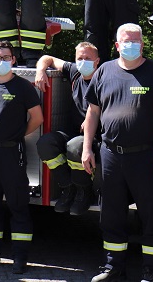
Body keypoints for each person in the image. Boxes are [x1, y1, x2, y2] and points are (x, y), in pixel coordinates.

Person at [82, 23, 153, 282]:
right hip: (111, 155)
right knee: (111, 214)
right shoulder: (104, 71)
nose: (131, 45)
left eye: (136, 41)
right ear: (116, 45)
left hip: (145, 157)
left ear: (143, 44)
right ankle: (113, 268)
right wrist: (86, 148)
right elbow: (93, 111)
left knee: (150, 214)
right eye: (126, 41)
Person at [0, 41, 44, 274]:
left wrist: (15, 135)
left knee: (18, 206)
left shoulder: (23, 87)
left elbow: (37, 117)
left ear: (14, 60)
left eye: (6, 57)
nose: (2, 61)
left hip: (12, 153)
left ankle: (20, 258)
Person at [35, 42, 101, 216]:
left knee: (75, 146)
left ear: (97, 61)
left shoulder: (104, 78)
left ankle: (83, 191)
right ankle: (68, 188)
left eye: (88, 58)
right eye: (80, 58)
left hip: (95, 137)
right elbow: (46, 58)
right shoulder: (75, 72)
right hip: (73, 134)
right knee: (45, 143)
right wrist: (40, 71)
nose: (83, 61)